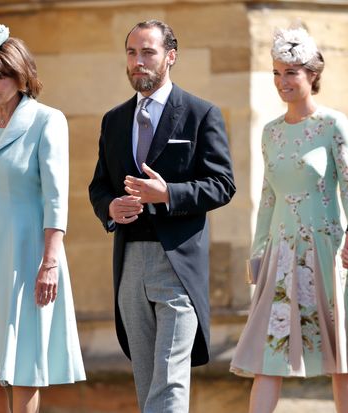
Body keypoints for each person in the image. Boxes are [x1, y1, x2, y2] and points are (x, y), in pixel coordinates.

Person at [89, 19, 235, 413]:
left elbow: (223, 184)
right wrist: (110, 209)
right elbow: (99, 186)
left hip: (177, 265)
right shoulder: (113, 120)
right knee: (147, 380)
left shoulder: (201, 113)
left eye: (148, 52)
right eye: (132, 53)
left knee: (170, 382)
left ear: (170, 56)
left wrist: (168, 193)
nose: (139, 62)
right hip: (130, 264)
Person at [0, 4, 85, 413]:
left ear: (20, 76)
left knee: (23, 361)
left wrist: (50, 263)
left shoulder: (48, 120)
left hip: (26, 255)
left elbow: (56, 199)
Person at [230, 25, 348, 413]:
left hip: (330, 254)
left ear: (312, 75)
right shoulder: (270, 132)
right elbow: (267, 197)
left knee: (342, 359)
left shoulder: (334, 125)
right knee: (269, 354)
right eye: (277, 73)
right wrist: (258, 253)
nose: (282, 81)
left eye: (291, 73)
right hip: (281, 257)